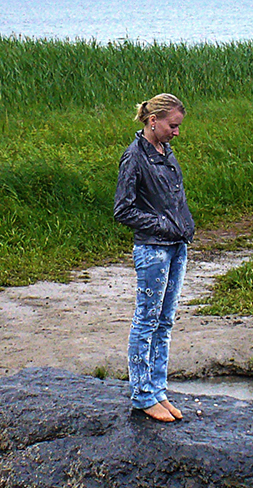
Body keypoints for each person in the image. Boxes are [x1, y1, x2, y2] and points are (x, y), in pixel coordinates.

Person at [113, 93, 195, 422]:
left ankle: (158, 390)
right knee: (146, 320)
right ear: (153, 121)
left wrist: (183, 225)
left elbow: (174, 199)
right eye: (172, 125)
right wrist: (162, 225)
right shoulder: (134, 157)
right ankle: (142, 395)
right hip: (152, 250)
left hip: (177, 246)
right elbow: (123, 210)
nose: (177, 132)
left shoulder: (165, 151)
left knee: (165, 320)